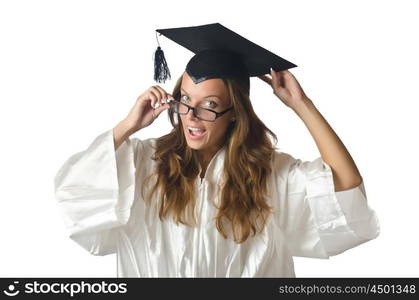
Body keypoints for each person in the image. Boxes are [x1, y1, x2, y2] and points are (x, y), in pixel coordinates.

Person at [54, 23, 380, 277]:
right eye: (185, 101)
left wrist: (301, 105)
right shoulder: (144, 162)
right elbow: (76, 193)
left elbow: (345, 186)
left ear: (235, 112)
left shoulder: (268, 172)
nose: (192, 117)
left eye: (209, 105)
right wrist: (127, 126)